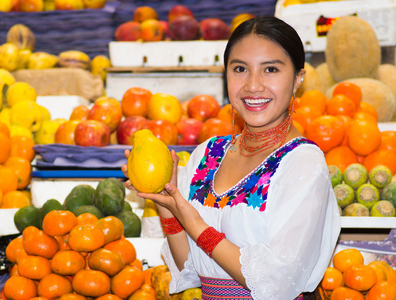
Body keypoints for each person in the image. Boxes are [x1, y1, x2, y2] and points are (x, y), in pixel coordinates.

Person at [122, 16, 341, 300]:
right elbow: (188, 267)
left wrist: (197, 225)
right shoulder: (208, 154)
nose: (253, 85)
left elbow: (277, 282)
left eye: (270, 69)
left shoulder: (303, 164)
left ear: (298, 78)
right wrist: (168, 203)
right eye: (240, 69)